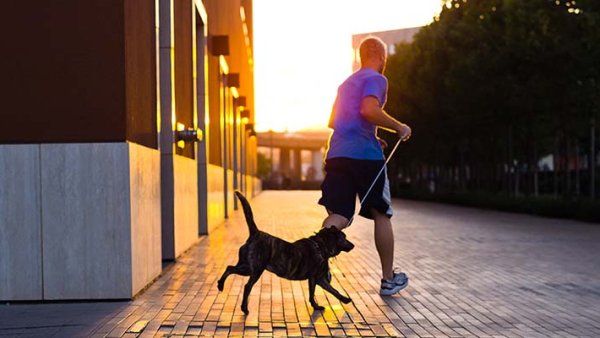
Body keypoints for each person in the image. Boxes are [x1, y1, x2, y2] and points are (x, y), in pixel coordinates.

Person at [319, 37, 412, 296]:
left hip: (337, 154)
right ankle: (388, 279)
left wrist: (372, 135)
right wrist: (398, 127)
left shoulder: (345, 84)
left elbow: (337, 122)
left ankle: (318, 263)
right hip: (366, 159)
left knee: (339, 215)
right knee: (381, 213)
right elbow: (368, 110)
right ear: (382, 56)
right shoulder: (377, 79)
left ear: (360, 56)